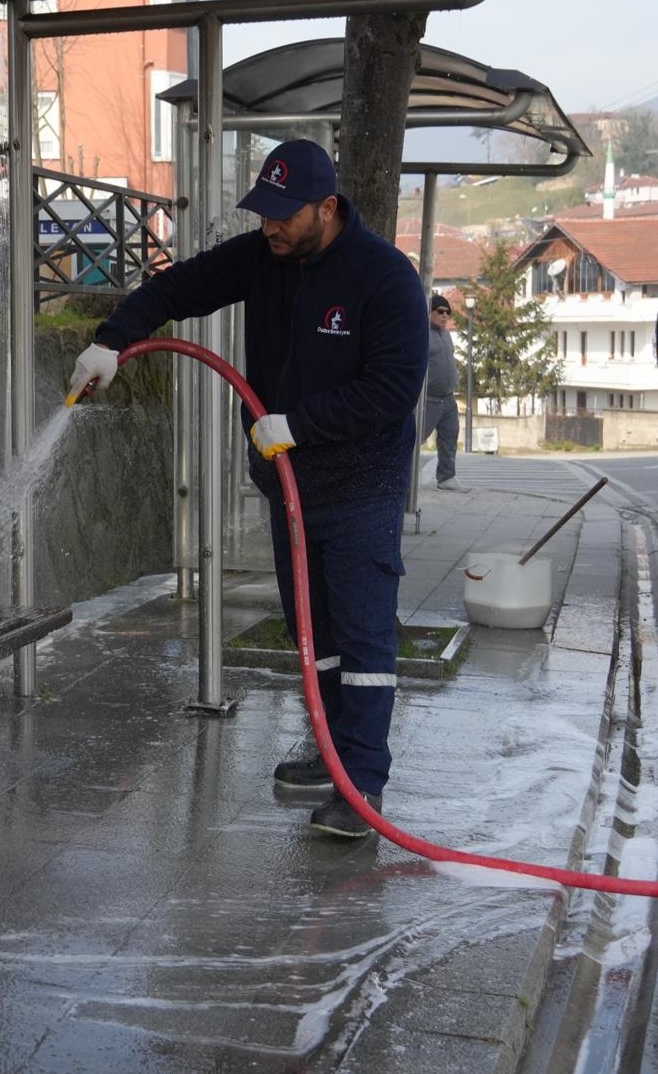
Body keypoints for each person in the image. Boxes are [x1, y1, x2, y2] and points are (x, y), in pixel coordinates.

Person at [66, 139, 428, 840]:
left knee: (360, 634)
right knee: (310, 631)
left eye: (284, 216)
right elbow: (177, 289)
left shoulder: (384, 278)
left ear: (327, 207)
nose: (269, 227)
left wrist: (300, 422)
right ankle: (330, 754)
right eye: (263, 213)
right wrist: (112, 340)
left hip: (361, 482)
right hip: (290, 480)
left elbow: (391, 391)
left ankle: (364, 784)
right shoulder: (265, 257)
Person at [423, 294, 466, 492]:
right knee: (416, 439)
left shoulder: (446, 335)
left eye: (447, 313)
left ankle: (446, 477)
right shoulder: (421, 333)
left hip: (448, 400)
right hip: (427, 400)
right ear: (429, 312)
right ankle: (405, 479)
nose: (445, 316)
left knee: (450, 436)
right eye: (440, 312)